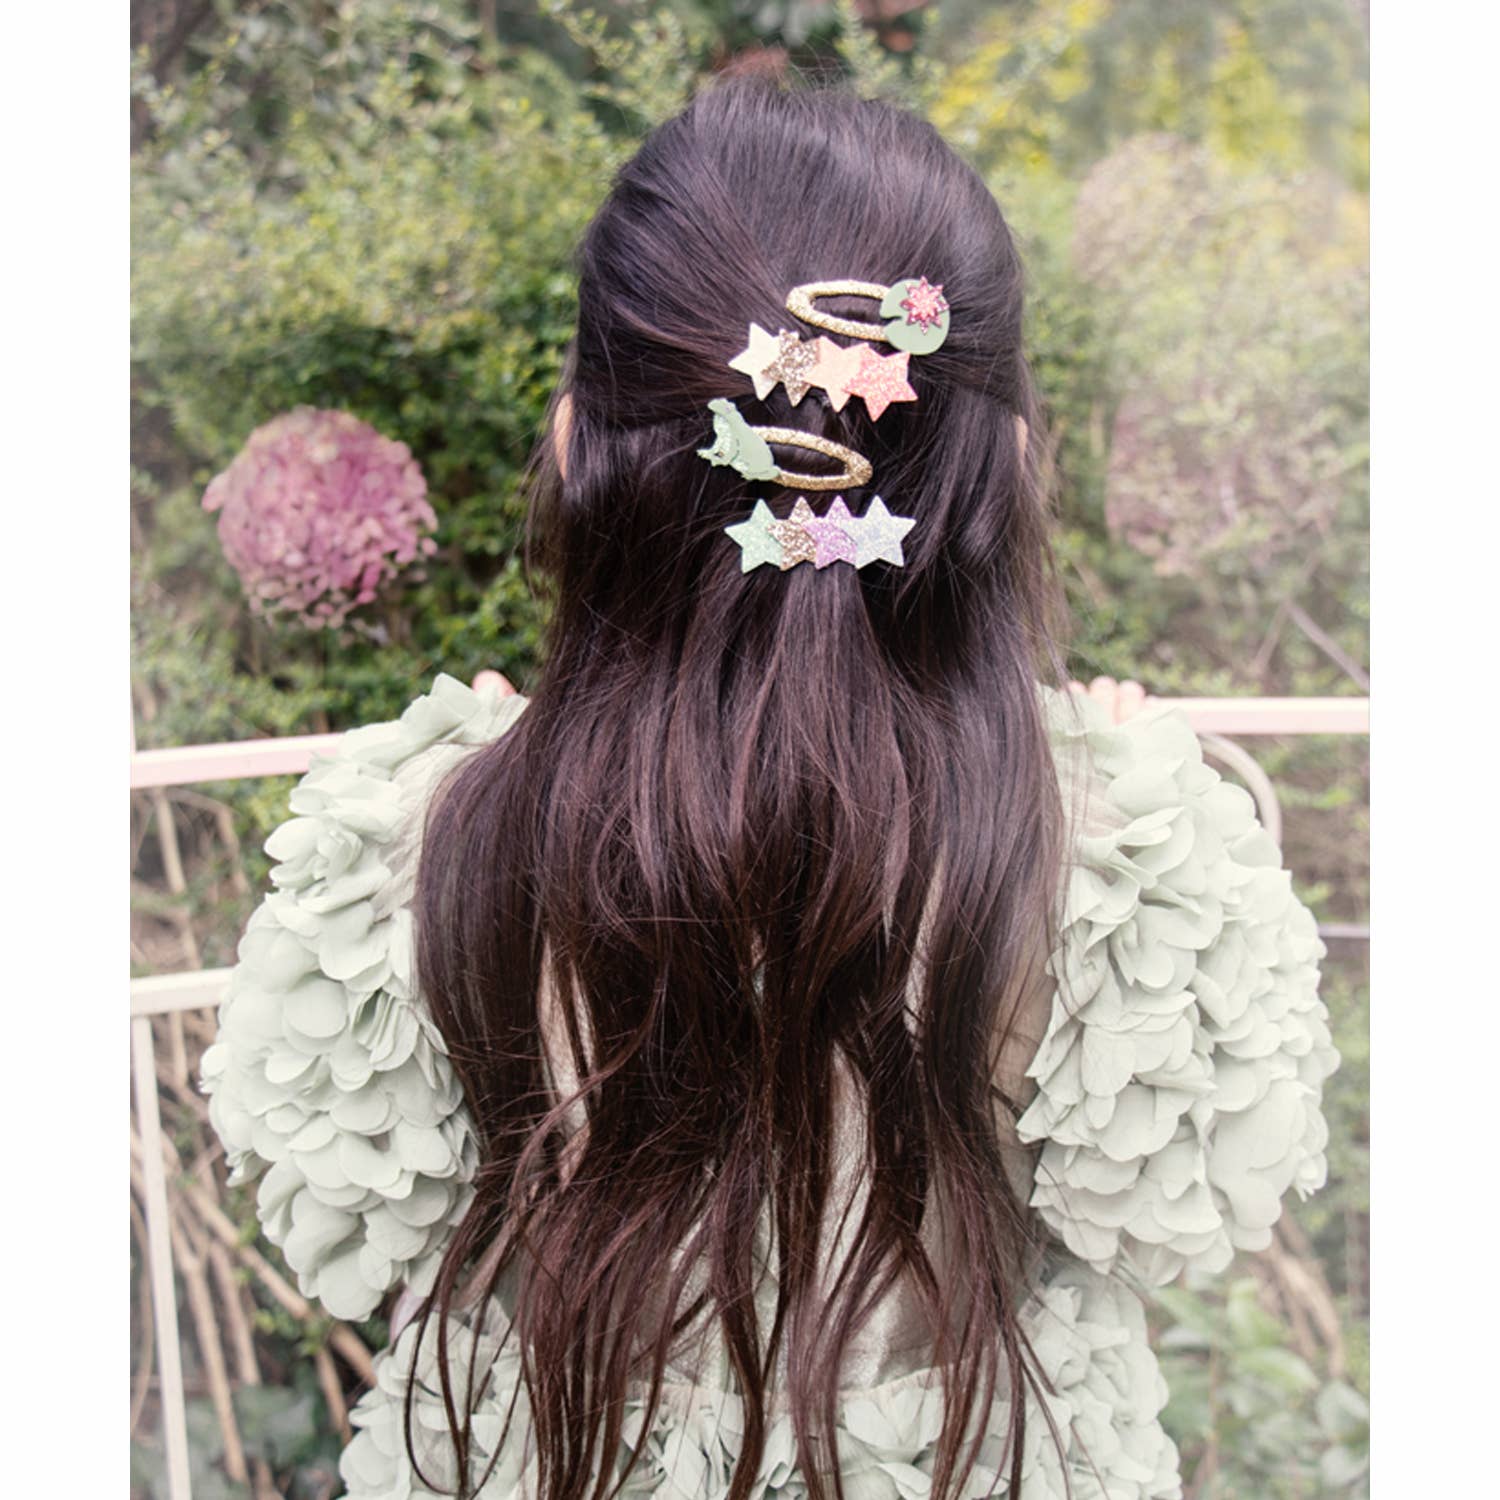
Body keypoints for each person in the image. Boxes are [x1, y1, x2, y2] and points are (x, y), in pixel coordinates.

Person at [201, 80, 1339, 1500]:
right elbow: (1185, 1214)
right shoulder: (1112, 853)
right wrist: (1128, 798)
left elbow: (341, 1213)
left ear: (573, 441)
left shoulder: (418, 839)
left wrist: (455, 792)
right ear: (1010, 470)